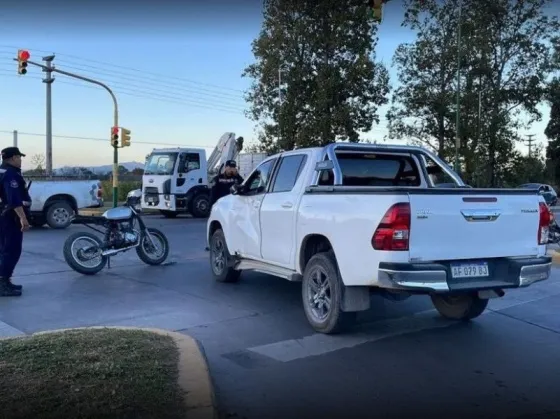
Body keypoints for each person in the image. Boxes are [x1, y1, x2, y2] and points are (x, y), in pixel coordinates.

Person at [0, 147, 31, 297]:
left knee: (4, 250)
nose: (21, 160)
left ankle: (5, 281)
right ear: (12, 158)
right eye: (19, 157)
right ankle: (3, 283)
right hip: (10, 217)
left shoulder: (2, 172)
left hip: (3, 216)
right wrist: (23, 218)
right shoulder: (11, 174)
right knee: (12, 250)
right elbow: (13, 200)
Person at [205, 160, 243, 251]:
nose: (231, 170)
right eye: (230, 167)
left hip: (233, 207)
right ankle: (213, 244)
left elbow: (244, 185)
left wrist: (237, 175)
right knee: (218, 227)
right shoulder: (218, 179)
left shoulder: (237, 178)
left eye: (233, 168)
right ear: (225, 168)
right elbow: (213, 194)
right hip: (221, 207)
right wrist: (210, 207)